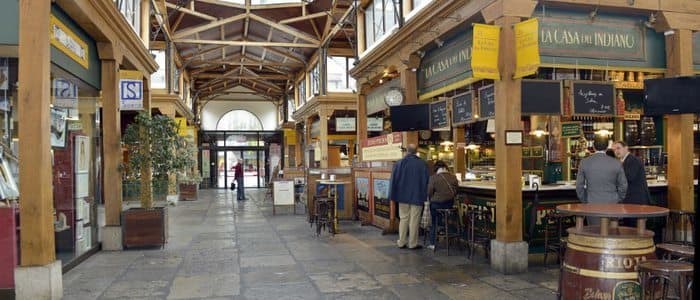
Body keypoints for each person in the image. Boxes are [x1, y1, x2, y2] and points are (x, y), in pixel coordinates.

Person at [576, 136, 628, 225]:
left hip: (592, 203)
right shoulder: (616, 163)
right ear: (607, 147)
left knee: (594, 233)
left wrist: (586, 200)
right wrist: (617, 198)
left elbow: (579, 187)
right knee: (612, 234)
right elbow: (623, 186)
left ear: (593, 146)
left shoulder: (584, 162)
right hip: (613, 204)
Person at [389, 144, 429, 250]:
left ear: (407, 151)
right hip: (417, 195)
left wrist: (392, 195)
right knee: (414, 220)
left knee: (404, 218)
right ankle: (412, 243)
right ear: (416, 151)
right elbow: (426, 181)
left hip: (402, 196)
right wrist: (425, 195)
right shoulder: (422, 164)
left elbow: (394, 180)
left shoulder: (399, 163)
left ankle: (401, 242)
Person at [426, 160, 459, 250]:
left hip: (436, 205)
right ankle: (450, 235)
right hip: (449, 204)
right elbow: (456, 190)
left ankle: (432, 243)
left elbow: (429, 192)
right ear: (446, 167)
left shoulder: (433, 178)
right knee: (447, 220)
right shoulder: (453, 177)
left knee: (434, 222)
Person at [612, 141, 650, 205]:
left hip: (636, 199)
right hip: (631, 198)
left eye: (618, 148)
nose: (616, 151)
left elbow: (629, 177)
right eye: (614, 150)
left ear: (626, 148)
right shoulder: (623, 161)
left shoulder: (632, 160)